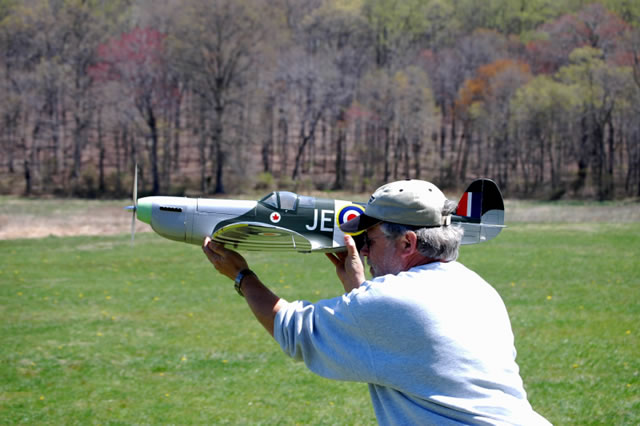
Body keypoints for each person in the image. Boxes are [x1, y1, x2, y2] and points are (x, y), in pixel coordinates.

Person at [202, 179, 550, 425]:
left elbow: (293, 331)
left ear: (407, 243)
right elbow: (410, 341)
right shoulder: (478, 288)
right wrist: (359, 291)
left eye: (369, 239)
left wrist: (241, 275)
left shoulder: (390, 300)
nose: (364, 251)